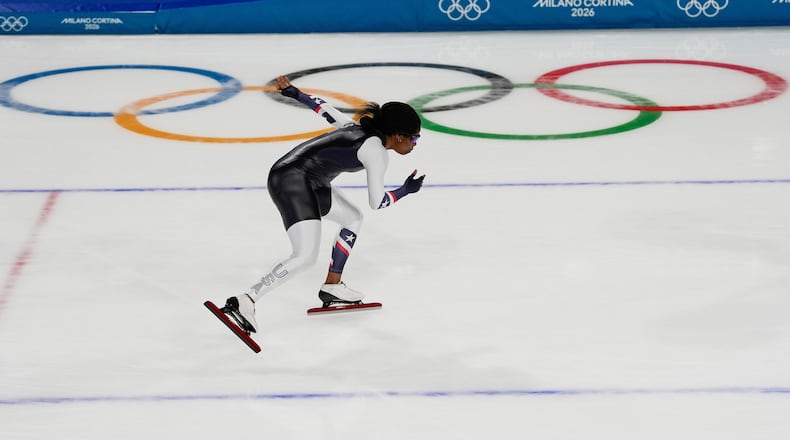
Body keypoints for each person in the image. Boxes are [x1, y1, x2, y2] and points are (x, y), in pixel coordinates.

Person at [218, 75, 425, 334]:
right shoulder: (377, 154)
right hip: (292, 181)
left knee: (352, 217)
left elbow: (324, 109)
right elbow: (377, 202)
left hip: (310, 180)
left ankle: (332, 285)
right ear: (397, 136)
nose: (415, 144)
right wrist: (406, 190)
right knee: (304, 256)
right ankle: (245, 301)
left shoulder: (356, 129)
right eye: (414, 139)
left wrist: (294, 92)